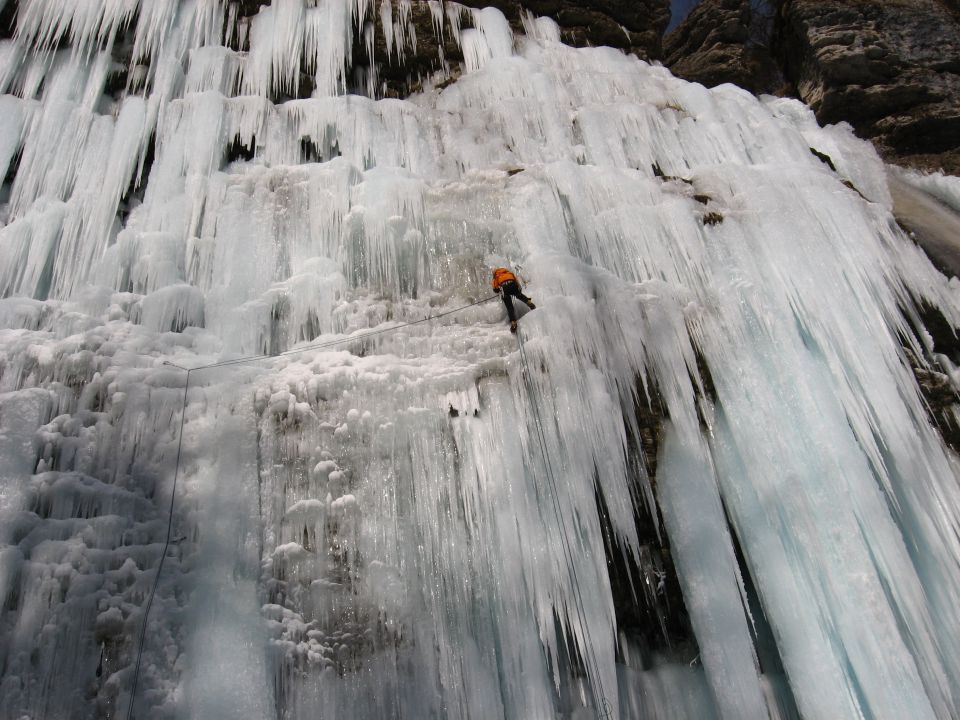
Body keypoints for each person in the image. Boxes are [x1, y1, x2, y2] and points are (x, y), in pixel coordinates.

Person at [491, 267, 535, 333]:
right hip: (513, 284)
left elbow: (495, 289)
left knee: (509, 307)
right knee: (518, 295)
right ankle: (528, 302)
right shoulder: (509, 273)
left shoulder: (496, 276)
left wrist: (499, 290)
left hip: (504, 287)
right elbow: (516, 282)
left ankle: (513, 323)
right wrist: (518, 290)